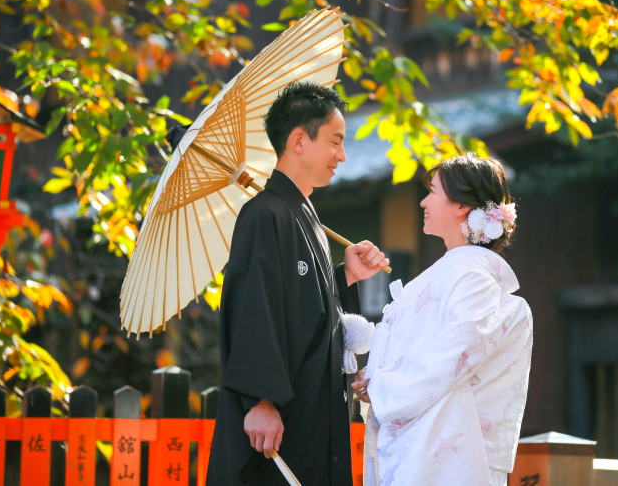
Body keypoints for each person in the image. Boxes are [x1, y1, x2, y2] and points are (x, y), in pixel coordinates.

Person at [206, 82, 389, 485]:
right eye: (335, 142)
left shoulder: (303, 216)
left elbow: (306, 309)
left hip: (310, 410)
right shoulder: (264, 214)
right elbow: (254, 308)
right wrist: (260, 400)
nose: (342, 155)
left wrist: (345, 277)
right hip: (277, 418)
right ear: (299, 141)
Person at [352, 153, 533, 486]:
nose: (423, 201)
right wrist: (377, 379)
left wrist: (382, 386)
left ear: (461, 205)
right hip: (424, 445)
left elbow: (447, 360)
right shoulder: (457, 272)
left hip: (443, 455)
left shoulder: (474, 277)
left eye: (432, 192)